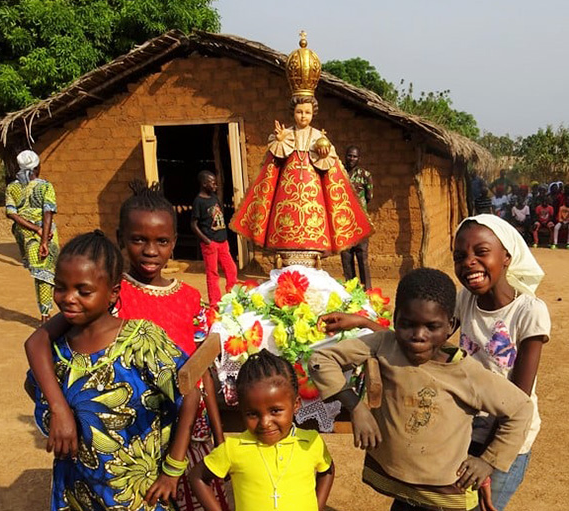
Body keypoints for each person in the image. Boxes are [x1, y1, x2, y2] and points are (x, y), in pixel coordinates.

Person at [24, 183, 230, 511]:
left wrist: (218, 437)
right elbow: (37, 342)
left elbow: (196, 374)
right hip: (105, 449)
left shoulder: (186, 298)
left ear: (173, 244)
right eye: (139, 240)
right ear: (121, 239)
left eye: (161, 241)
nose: (150, 250)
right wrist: (60, 408)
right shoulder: (100, 288)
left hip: (164, 434)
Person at [310, 268, 533, 511]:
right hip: (398, 487)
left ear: (451, 326)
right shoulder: (385, 344)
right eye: (408, 325)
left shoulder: (466, 374)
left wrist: (488, 462)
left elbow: (520, 409)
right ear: (396, 320)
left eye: (431, 326)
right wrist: (356, 408)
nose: (418, 336)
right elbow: (321, 360)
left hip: (444, 496)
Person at [230, 33, 371, 256]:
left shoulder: (318, 136)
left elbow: (330, 169)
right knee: (285, 221)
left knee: (316, 220)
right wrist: (279, 141)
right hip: (287, 193)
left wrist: (324, 153)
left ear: (313, 113)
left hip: (314, 191)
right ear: (292, 112)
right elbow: (272, 167)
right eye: (298, 112)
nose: (303, 116)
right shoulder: (284, 134)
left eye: (307, 112)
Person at [452, 215, 550, 511]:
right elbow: (421, 335)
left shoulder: (529, 311)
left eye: (481, 252)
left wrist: (488, 459)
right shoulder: (464, 300)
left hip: (507, 438)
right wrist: (364, 323)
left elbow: (518, 398)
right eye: (460, 256)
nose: (469, 262)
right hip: (467, 430)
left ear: (506, 257)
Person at [190, 350, 335, 511]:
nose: (265, 423)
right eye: (252, 414)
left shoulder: (310, 442)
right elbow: (198, 477)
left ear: (296, 404)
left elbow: (327, 469)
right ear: (241, 410)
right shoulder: (233, 448)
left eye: (275, 411)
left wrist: (317, 506)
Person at [5, 149, 59, 323]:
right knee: (45, 274)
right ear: (38, 166)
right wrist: (42, 235)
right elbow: (48, 212)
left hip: (26, 235)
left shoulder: (12, 187)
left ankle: (46, 313)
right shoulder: (45, 186)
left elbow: (12, 213)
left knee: (40, 274)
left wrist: (34, 230)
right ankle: (45, 316)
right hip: (46, 234)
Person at [192, 171, 238, 307]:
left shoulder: (214, 198)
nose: (215, 185)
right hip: (210, 243)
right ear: (204, 184)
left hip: (222, 242)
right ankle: (214, 303)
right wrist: (207, 241)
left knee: (231, 269)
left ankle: (233, 296)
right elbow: (193, 224)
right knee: (213, 273)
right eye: (212, 183)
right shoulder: (198, 201)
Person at [340, 145, 374, 289]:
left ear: (359, 158)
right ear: (345, 156)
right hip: (343, 222)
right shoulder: (339, 174)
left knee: (362, 256)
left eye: (354, 156)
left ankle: (367, 290)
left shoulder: (365, 175)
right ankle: (351, 289)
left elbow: (369, 196)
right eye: (349, 156)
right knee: (346, 257)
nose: (352, 159)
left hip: (360, 222)